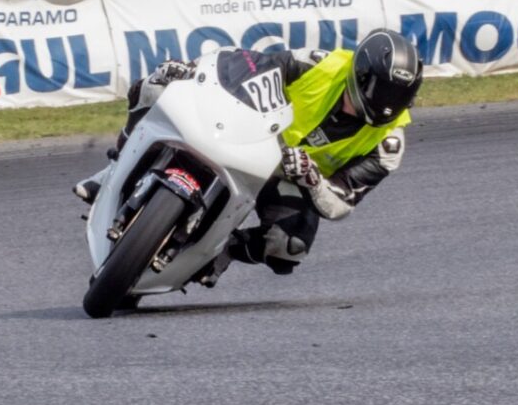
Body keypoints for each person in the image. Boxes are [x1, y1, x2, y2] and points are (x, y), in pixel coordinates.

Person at [73, 28, 423, 285]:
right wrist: (191, 69)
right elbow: (249, 65)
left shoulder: (388, 147)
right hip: (254, 132)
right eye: (382, 91)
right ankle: (112, 169)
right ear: (360, 75)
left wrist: (312, 178)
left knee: (289, 248)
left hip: (290, 176)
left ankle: (222, 249)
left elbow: (342, 204)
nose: (388, 104)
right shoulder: (318, 65)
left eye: (399, 96)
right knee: (153, 86)